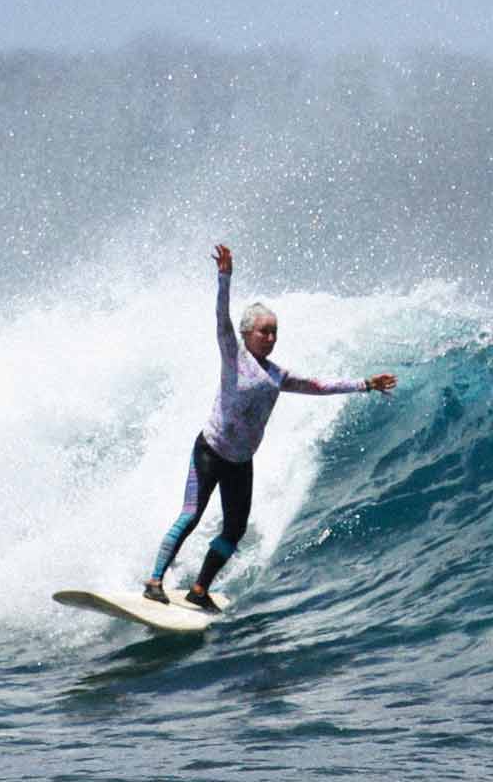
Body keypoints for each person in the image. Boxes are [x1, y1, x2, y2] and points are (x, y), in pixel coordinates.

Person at [144, 244, 396, 610]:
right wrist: (224, 276)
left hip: (240, 461)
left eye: (275, 332)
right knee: (191, 515)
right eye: (265, 332)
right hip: (210, 451)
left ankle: (199, 590)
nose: (271, 338)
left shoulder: (278, 375)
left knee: (234, 530)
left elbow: (318, 385)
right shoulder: (233, 353)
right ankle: (154, 581)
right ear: (248, 333)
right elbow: (221, 318)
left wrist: (365, 384)